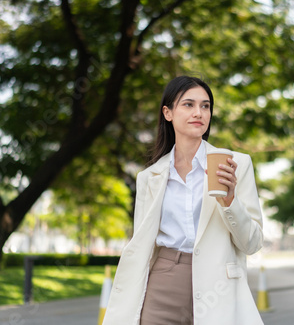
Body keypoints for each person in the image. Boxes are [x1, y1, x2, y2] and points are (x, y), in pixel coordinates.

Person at [102, 76, 264, 325]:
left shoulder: (235, 165)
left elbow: (252, 243)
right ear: (168, 113)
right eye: (188, 104)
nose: (198, 112)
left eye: (205, 106)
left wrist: (230, 201)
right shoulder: (149, 177)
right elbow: (143, 243)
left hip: (218, 287)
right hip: (164, 283)